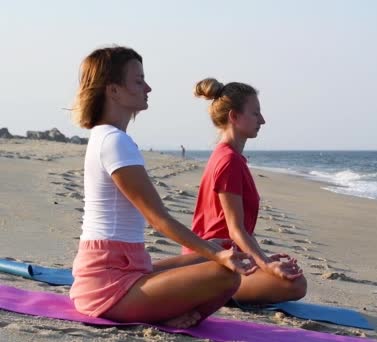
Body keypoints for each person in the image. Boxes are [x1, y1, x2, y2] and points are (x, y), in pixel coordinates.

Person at [69, 47, 257, 329]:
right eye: (138, 80)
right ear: (114, 91)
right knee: (227, 275)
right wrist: (216, 255)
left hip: (124, 267)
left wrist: (210, 249)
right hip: (109, 284)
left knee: (213, 251)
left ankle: (164, 313)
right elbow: (158, 219)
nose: (148, 87)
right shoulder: (114, 142)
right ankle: (162, 316)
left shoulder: (106, 137)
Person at [183, 78, 307, 304]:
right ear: (234, 116)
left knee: (291, 278)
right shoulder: (229, 161)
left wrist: (262, 257)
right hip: (213, 262)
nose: (262, 120)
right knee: (296, 285)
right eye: (255, 113)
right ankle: (215, 290)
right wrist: (266, 264)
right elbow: (235, 230)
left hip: (223, 257)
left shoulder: (229, 157)